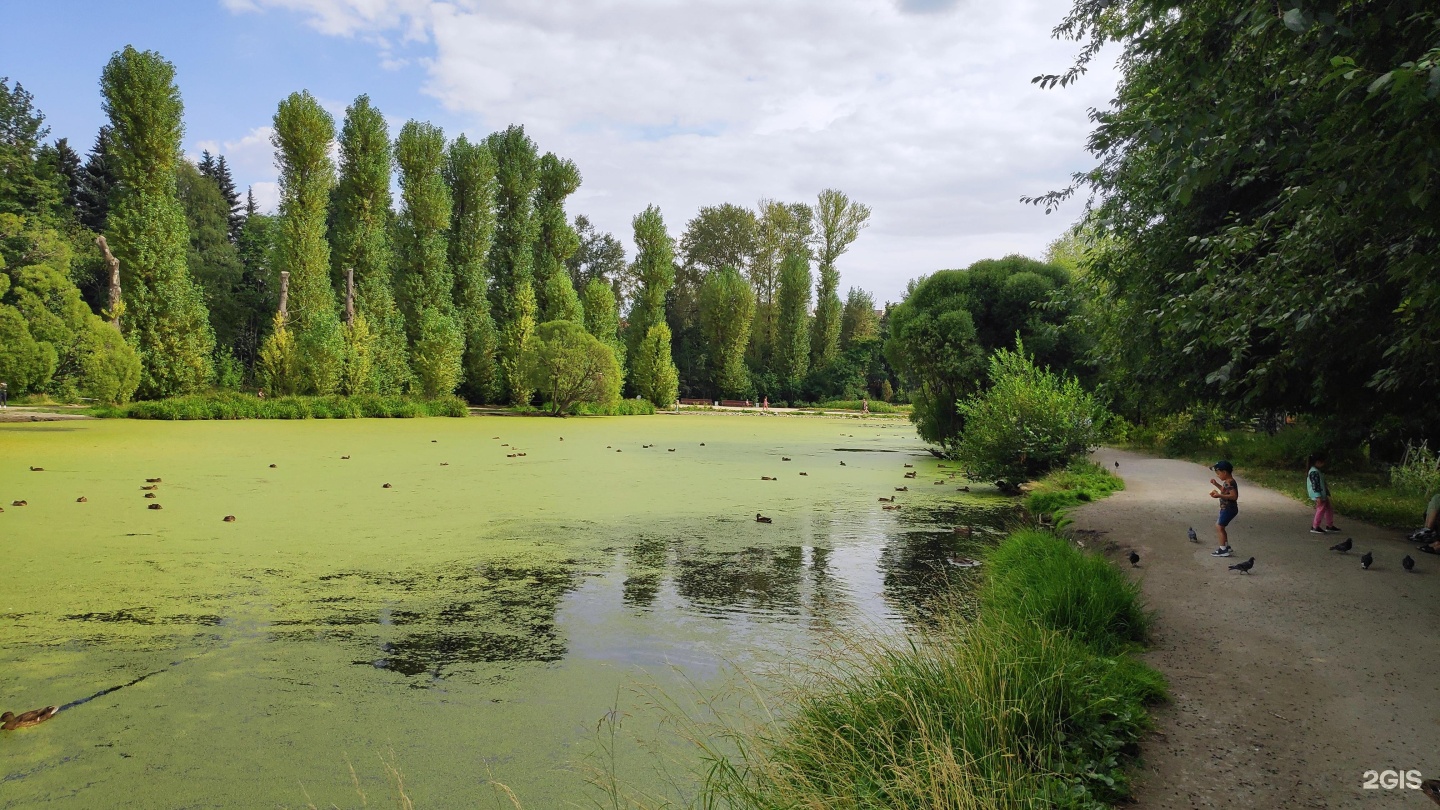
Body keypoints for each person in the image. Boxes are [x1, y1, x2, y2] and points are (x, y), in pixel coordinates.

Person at [1210, 460, 1240, 557]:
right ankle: (1226, 546)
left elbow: (1234, 496)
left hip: (1229, 508)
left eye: (1218, 474)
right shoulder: (1228, 482)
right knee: (1221, 527)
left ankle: (1223, 549)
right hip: (1227, 508)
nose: (1218, 476)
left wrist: (1219, 495)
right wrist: (1216, 484)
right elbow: (1224, 490)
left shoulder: (1229, 482)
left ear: (1224, 472)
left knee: (1219, 526)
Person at [1306, 453, 1339, 534]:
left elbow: (1321, 483)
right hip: (1319, 495)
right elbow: (1315, 485)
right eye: (1322, 462)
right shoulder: (1314, 472)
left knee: (1329, 508)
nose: (1323, 464)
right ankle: (1315, 526)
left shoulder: (1316, 471)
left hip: (1322, 494)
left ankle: (1329, 525)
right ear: (1317, 462)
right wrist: (1318, 496)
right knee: (1320, 509)